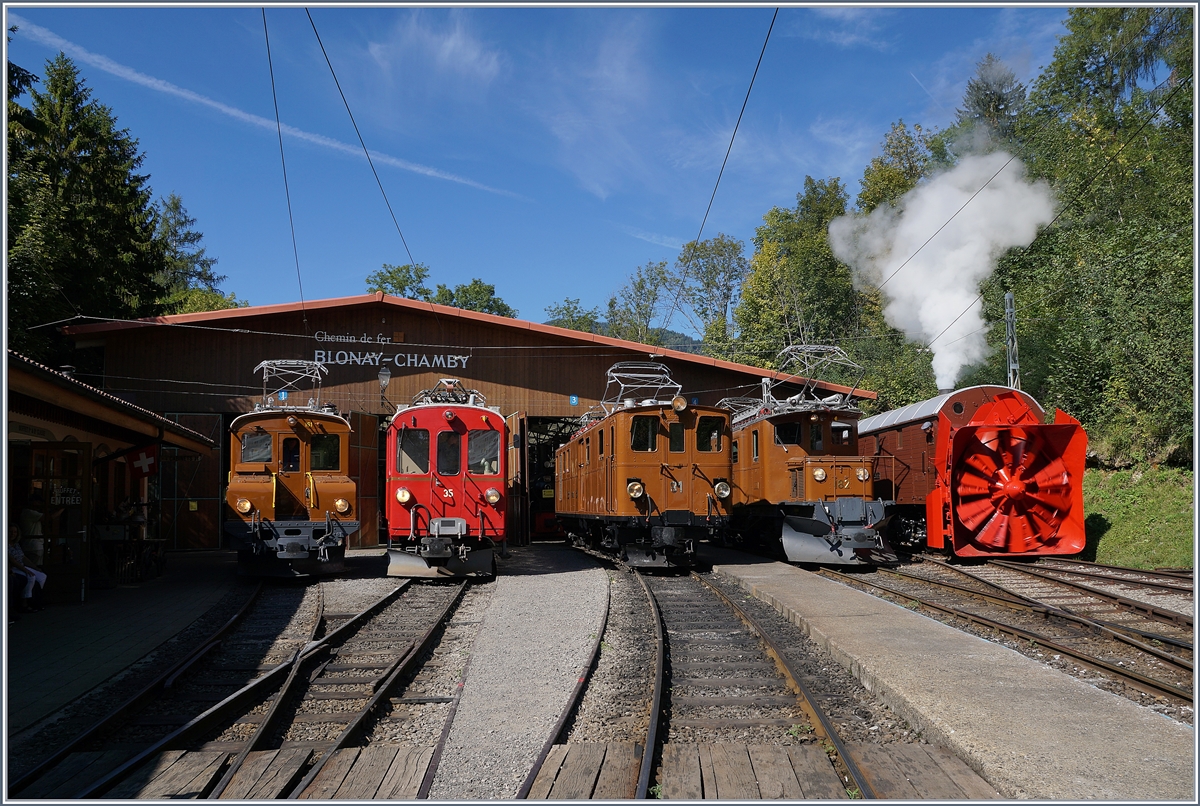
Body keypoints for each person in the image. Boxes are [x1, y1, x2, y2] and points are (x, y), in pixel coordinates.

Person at [9, 525, 46, 614]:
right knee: (31, 577)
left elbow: (23, 557)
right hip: (13, 568)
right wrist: (26, 570)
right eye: (10, 532)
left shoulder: (16, 544)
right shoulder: (5, 545)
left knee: (42, 576)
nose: (12, 534)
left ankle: (35, 599)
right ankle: (24, 603)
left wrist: (35, 567)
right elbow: (12, 561)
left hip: (21, 566)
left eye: (15, 532)